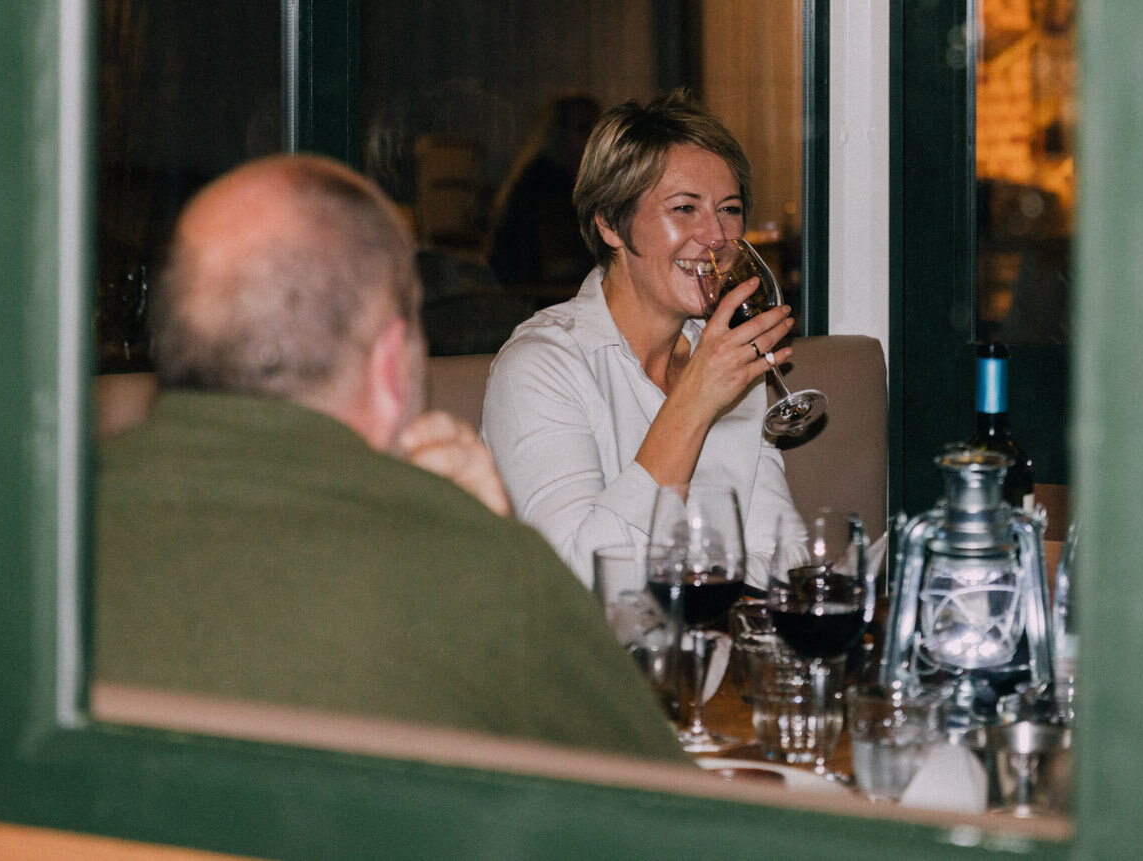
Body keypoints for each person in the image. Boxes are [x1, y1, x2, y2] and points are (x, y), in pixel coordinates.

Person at [94, 155, 685, 761]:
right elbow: (676, 815)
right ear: (389, 367)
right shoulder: (485, 577)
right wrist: (490, 541)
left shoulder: (41, 529)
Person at [481, 92, 800, 587]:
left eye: (729, 209)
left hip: (718, 650)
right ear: (610, 222)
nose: (715, 235)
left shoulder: (729, 357)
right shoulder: (540, 367)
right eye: (684, 208)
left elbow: (784, 556)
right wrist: (692, 404)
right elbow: (579, 584)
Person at [484, 93, 600, 300]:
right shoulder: (542, 185)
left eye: (598, 130)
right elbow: (557, 266)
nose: (593, 139)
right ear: (559, 134)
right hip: (539, 300)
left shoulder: (578, 181)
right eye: (583, 129)